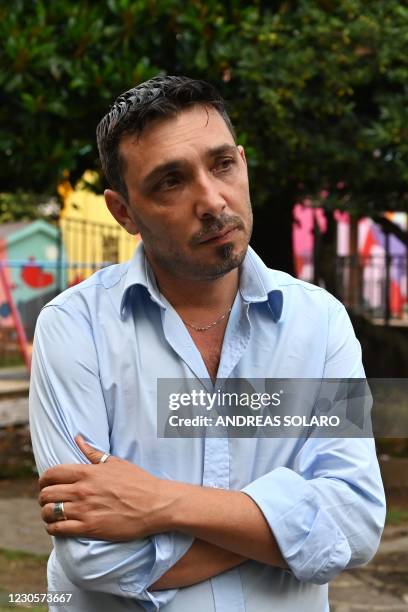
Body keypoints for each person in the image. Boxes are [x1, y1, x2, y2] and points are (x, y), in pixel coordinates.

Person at [29, 76, 385, 612]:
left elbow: (354, 523)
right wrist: (288, 533)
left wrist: (159, 504)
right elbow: (93, 556)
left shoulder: (322, 323)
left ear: (242, 162)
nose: (212, 200)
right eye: (171, 182)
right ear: (123, 211)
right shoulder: (74, 329)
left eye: (222, 164)